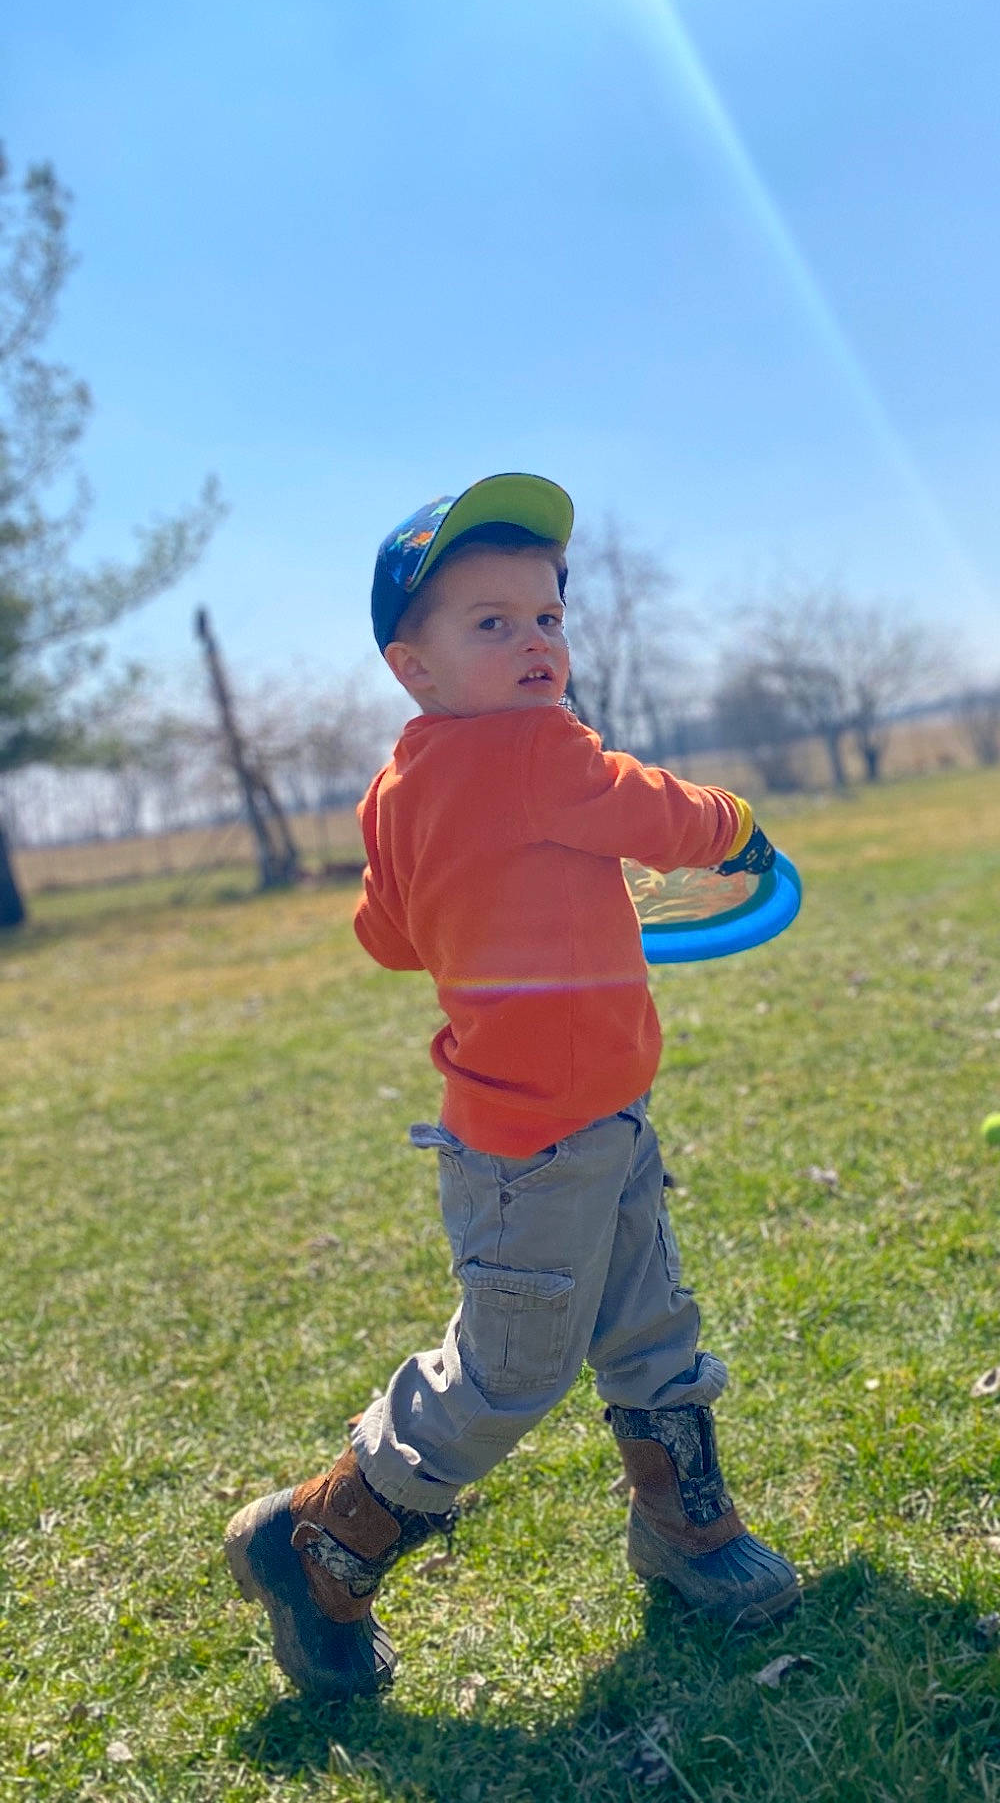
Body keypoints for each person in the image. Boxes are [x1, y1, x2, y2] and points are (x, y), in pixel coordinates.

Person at [224, 473, 798, 1699]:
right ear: (412, 663)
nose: (536, 641)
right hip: (541, 1144)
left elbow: (388, 934)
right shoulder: (539, 750)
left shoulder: (397, 785)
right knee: (507, 1374)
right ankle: (320, 1538)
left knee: (649, 1320)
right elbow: (656, 812)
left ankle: (686, 1529)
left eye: (547, 615)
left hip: (584, 1117)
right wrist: (738, 826)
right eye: (491, 622)